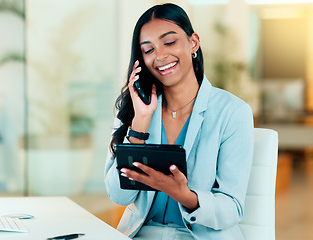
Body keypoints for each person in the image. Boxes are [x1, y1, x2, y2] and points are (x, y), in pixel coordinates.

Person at [104, 3, 254, 240]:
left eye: (170, 42)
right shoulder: (134, 109)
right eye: (148, 49)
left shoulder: (233, 112)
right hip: (142, 234)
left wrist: (184, 195)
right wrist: (140, 125)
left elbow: (231, 209)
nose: (160, 56)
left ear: (193, 42)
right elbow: (119, 197)